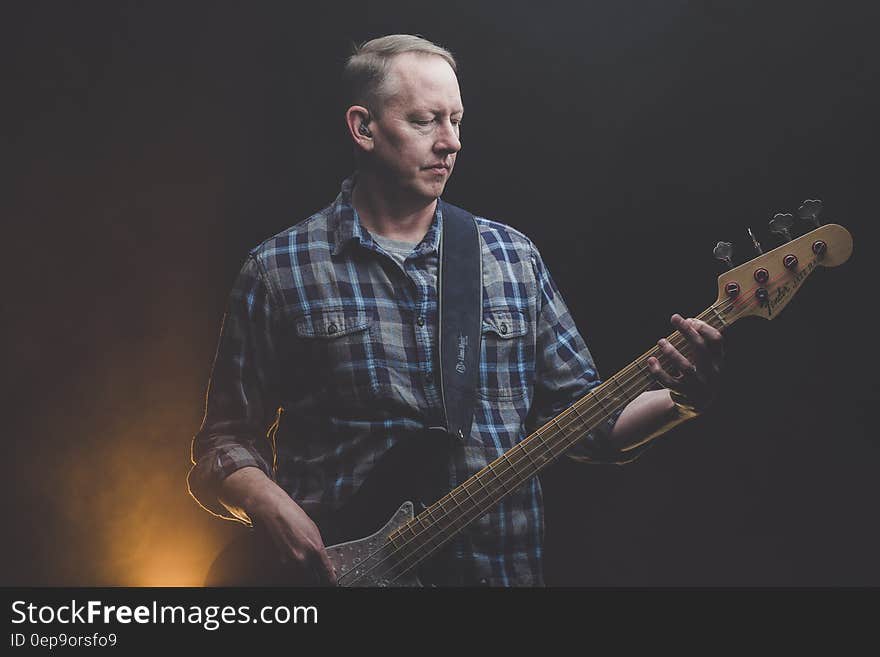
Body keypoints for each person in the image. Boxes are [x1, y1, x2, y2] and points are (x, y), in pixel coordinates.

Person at [188, 34, 724, 586]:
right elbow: (223, 443)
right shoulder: (280, 269)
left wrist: (682, 400)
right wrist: (271, 506)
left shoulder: (511, 258)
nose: (451, 143)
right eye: (426, 121)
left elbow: (591, 426)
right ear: (363, 128)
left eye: (457, 120)